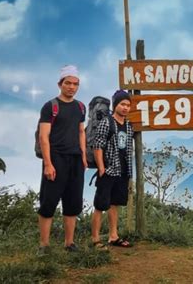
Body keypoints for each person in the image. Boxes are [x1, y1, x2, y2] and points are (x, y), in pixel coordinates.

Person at [38, 65, 86, 254]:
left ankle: (69, 243)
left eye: (75, 84)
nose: (71, 87)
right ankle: (44, 245)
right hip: (55, 158)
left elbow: (81, 131)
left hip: (75, 159)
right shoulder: (50, 106)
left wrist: (83, 155)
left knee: (73, 202)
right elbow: (44, 137)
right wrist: (48, 163)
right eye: (68, 83)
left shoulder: (81, 107)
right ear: (60, 84)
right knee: (48, 202)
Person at [91, 90, 134, 249]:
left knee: (115, 204)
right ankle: (95, 239)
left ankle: (113, 236)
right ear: (115, 104)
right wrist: (101, 167)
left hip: (122, 171)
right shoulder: (107, 122)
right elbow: (97, 145)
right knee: (100, 205)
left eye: (128, 105)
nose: (125, 108)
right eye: (122, 104)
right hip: (108, 170)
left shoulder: (129, 126)